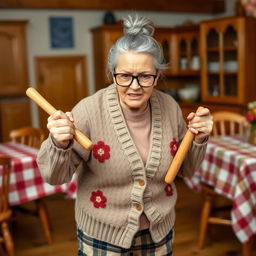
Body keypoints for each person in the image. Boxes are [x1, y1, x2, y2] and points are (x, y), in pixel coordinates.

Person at [37, 15, 213, 256]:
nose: (134, 86)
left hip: (158, 232)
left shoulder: (170, 107)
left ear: (158, 76)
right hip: (102, 235)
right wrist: (57, 143)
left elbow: (187, 169)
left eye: (145, 76)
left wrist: (200, 139)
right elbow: (54, 177)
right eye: (125, 76)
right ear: (112, 73)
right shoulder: (88, 111)